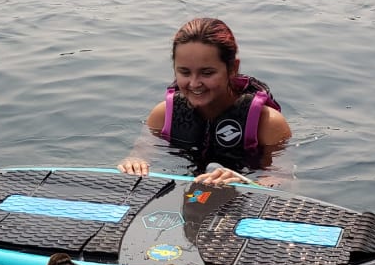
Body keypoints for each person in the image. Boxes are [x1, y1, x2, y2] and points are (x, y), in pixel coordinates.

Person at [117, 17, 292, 186]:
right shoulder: (162, 116)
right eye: (185, 72)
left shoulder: (268, 123)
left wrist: (244, 183)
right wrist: (133, 163)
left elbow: (283, 180)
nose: (194, 84)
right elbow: (139, 155)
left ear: (233, 68)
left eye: (207, 73)